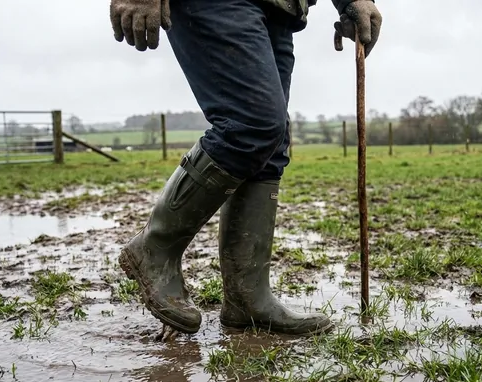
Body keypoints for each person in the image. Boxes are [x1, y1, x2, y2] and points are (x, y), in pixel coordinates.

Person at [110, 0, 382, 337]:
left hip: (282, 8)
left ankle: (247, 299)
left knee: (270, 145)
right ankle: (155, 247)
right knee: (252, 124)